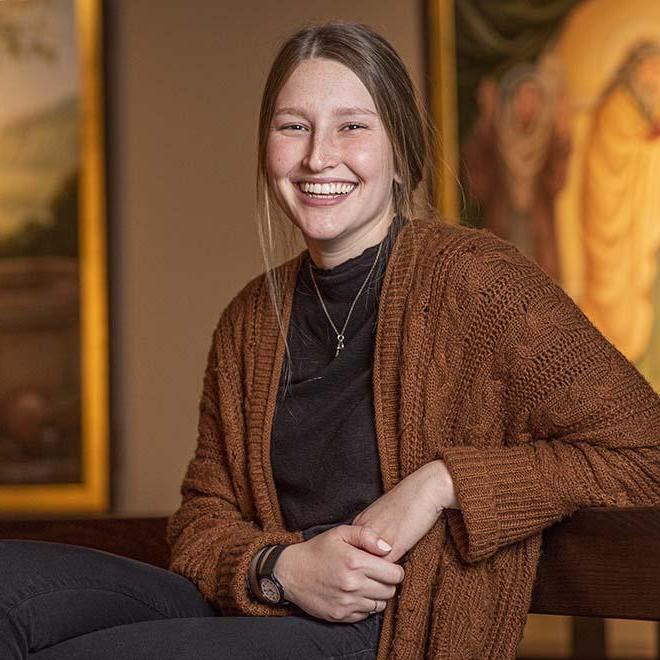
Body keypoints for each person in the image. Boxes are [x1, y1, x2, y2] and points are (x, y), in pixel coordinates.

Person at [1, 21, 659, 660]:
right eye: (294, 126)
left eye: (352, 125)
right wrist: (280, 567)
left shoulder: (477, 283)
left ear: (401, 152)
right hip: (261, 605)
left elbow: (646, 451)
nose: (318, 156)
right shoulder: (248, 320)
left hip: (383, 631)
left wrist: (441, 481)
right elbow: (203, 525)